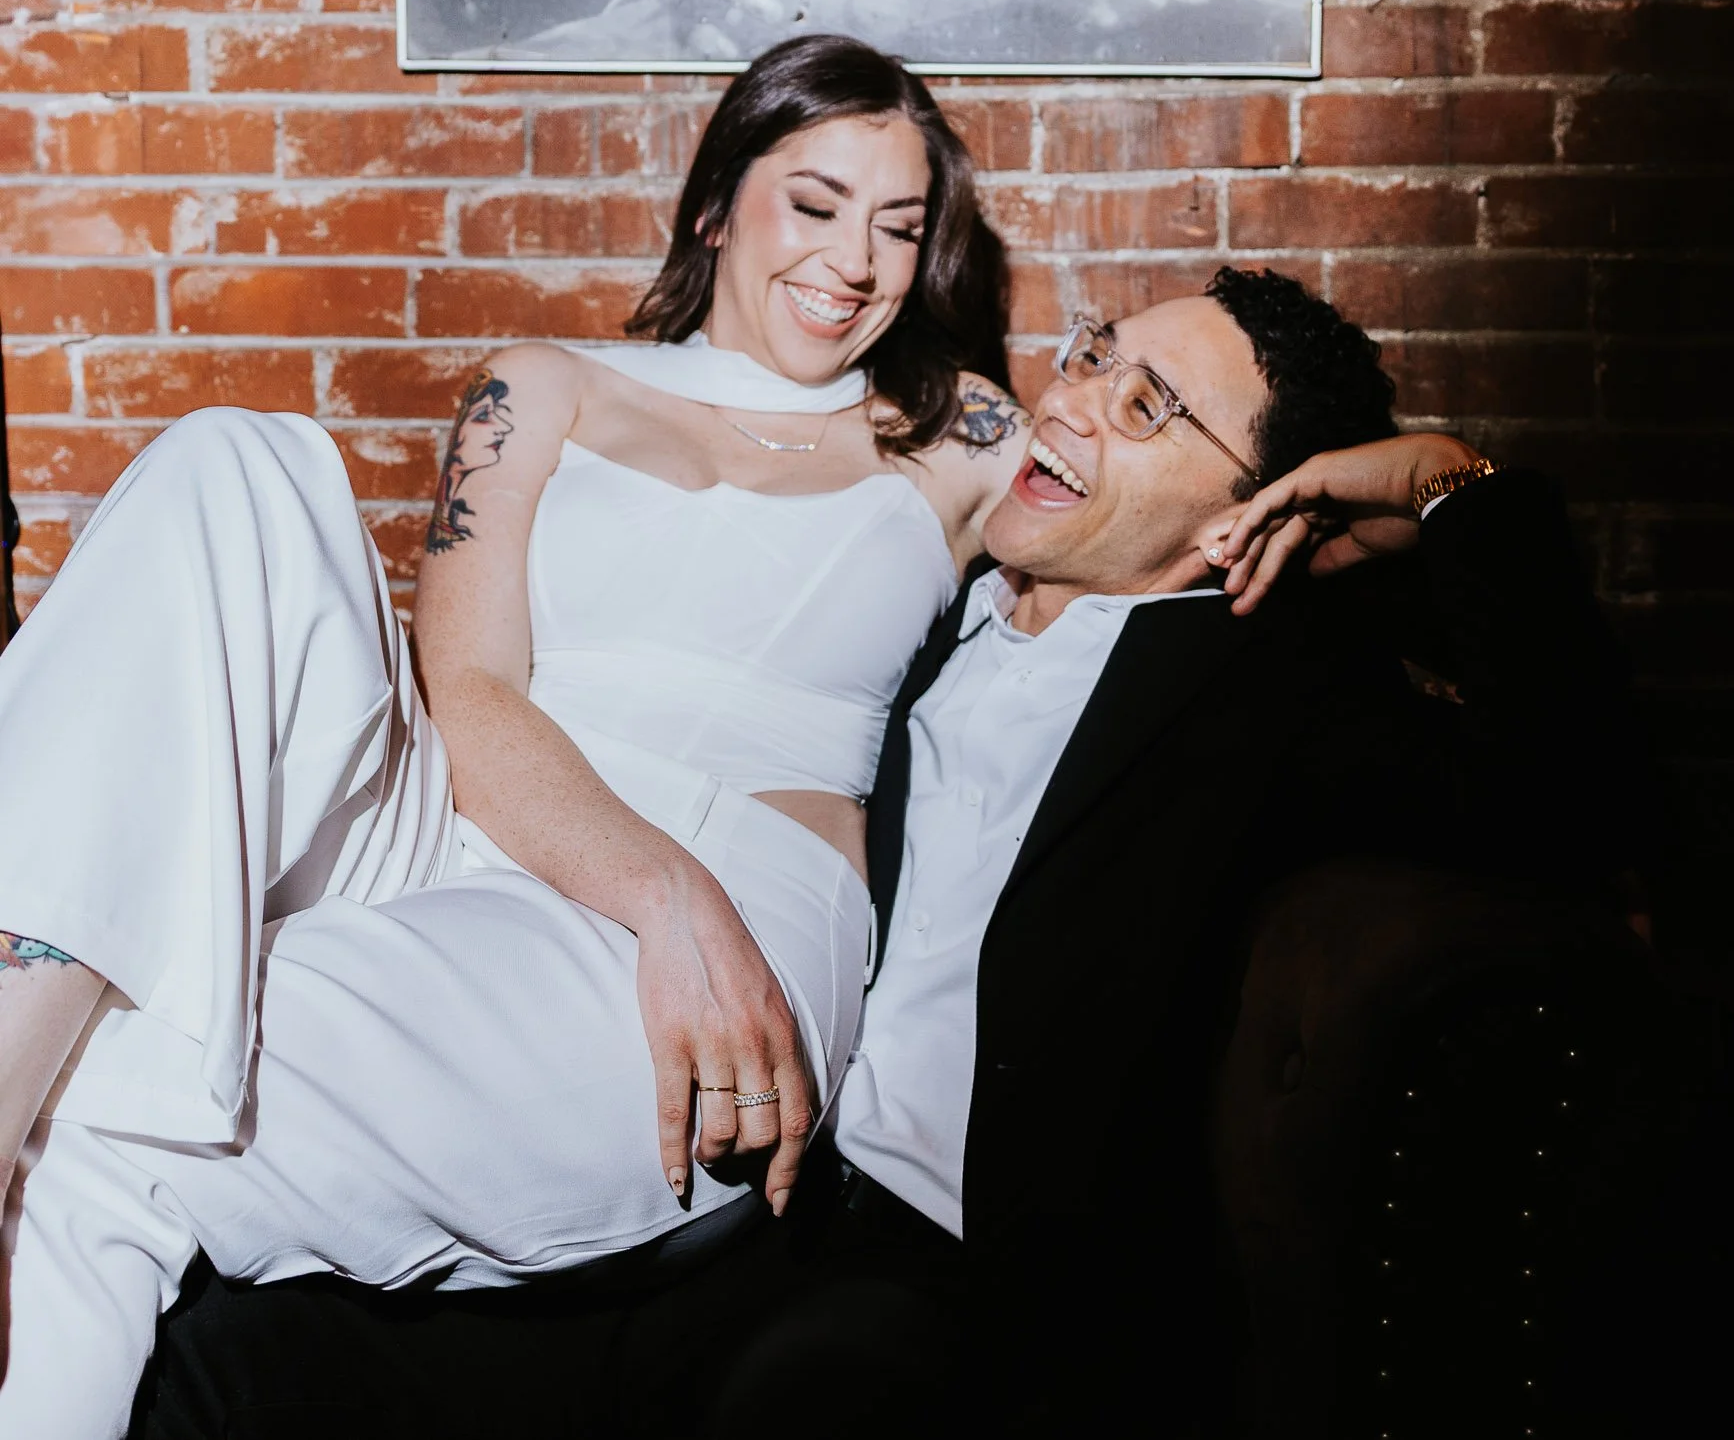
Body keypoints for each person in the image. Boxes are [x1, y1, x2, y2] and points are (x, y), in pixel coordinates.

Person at [133, 265, 1641, 1437]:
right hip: (742, 1210)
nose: (1074, 402)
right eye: (1096, 354)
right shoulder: (926, 625)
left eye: (1148, 409)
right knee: (225, 1361)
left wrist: (1443, 481)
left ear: (1249, 512)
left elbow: (1570, 806)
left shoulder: (1267, 695)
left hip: (972, 1288)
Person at [0, 33, 1032, 1437]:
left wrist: (1367, 480)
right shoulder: (544, 384)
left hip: (731, 912)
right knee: (236, 462)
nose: (855, 262)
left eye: (899, 228)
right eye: (816, 202)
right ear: (719, 203)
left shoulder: (958, 434)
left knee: (117, 1096)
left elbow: (1190, 495)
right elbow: (472, 687)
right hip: (487, 817)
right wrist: (662, 888)